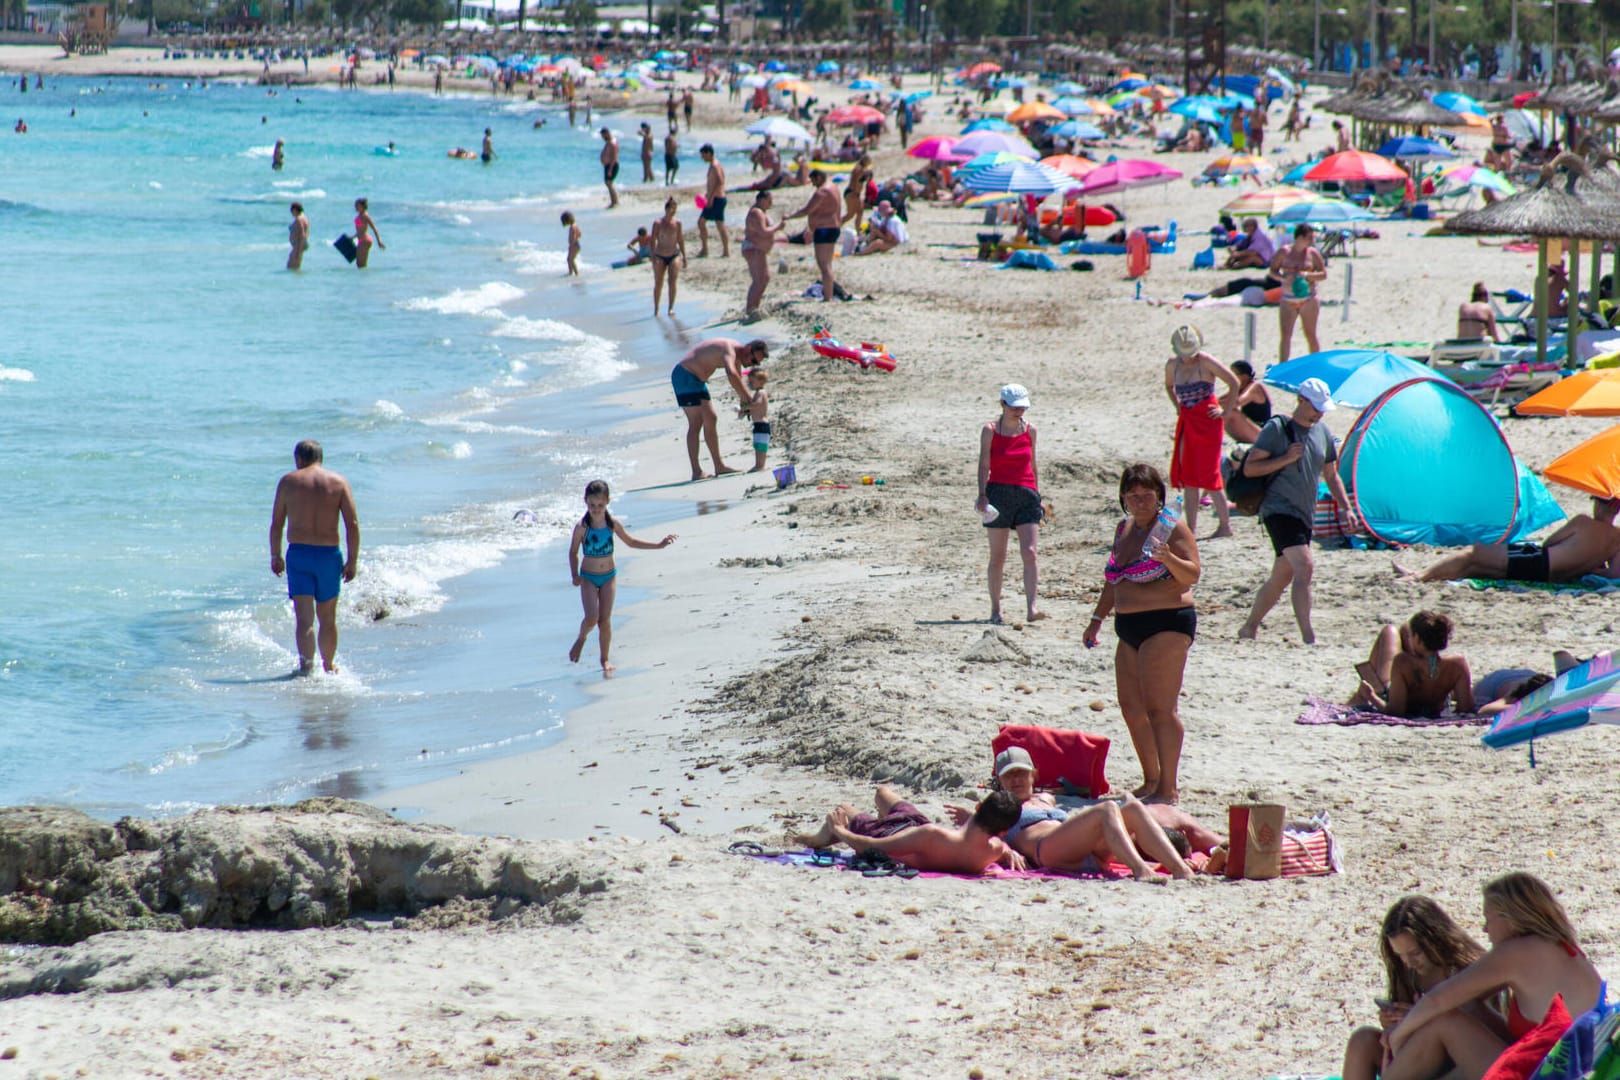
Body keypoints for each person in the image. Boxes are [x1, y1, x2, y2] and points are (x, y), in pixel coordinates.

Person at [1381, 872, 1607, 1080]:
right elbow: (1465, 1001)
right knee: (1462, 1009)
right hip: (1569, 1066)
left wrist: (1398, 1036)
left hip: (1550, 1073)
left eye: (1488, 918)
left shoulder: (1516, 952)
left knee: (1446, 1023)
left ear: (1509, 917)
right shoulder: (1559, 948)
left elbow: (1437, 1000)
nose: (1485, 929)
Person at [1084, 464, 1200, 804]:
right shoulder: (1124, 528)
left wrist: (1167, 558)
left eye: (1147, 495)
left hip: (1166, 622)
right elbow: (1114, 578)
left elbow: (1192, 574)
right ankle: (1151, 780)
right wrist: (1096, 619)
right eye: (1133, 495)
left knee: (1160, 709)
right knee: (1131, 708)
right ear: (1123, 498)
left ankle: (1169, 787)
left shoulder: (1172, 528)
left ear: (1159, 496)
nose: (1140, 501)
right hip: (1128, 626)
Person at [1238, 378, 1356, 644]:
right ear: (1300, 400)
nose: (1319, 413)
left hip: (1305, 514)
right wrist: (1285, 459)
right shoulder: (1277, 428)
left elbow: (1331, 475)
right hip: (1278, 509)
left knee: (1281, 577)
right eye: (1315, 406)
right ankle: (1308, 636)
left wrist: (1346, 508)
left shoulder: (1323, 432)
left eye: (1323, 408)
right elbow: (1250, 468)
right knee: (1305, 566)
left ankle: (1249, 627)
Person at [961, 748, 1193, 882]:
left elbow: (1079, 793)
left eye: (1021, 773)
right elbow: (982, 834)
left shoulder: (1047, 799)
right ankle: (1140, 869)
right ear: (999, 781)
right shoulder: (1000, 806)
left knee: (1132, 807)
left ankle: (1181, 869)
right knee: (1108, 808)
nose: (1016, 780)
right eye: (1009, 776)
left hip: (1082, 849)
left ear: (1034, 775)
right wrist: (1006, 850)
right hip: (1048, 850)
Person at [1340, 896, 1492, 1080]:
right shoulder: (1408, 973)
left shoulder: (1470, 970)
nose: (1409, 962)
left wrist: (1420, 1017)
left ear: (1436, 939)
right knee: (1362, 1039)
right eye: (1401, 955)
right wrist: (1393, 1020)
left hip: (1462, 1059)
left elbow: (1486, 1030)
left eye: (1415, 953)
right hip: (1419, 1054)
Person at [269, 440, 360, 676]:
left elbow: (277, 523)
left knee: (304, 618)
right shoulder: (339, 482)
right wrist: (352, 560)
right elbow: (352, 524)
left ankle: (306, 668)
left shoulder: (289, 481)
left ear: (298, 458)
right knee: (328, 617)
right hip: (329, 556)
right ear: (321, 458)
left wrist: (276, 554)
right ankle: (329, 666)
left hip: (299, 555)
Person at [566, 479, 674, 677]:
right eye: (592, 505)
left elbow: (631, 542)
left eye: (600, 505)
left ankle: (605, 659)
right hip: (588, 577)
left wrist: (658, 545)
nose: (596, 509)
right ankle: (581, 638)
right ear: (585, 502)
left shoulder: (612, 524)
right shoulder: (581, 527)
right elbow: (573, 552)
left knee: (604, 620)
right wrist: (574, 574)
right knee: (592, 618)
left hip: (609, 577)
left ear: (607, 501)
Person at [795, 787, 1024, 875]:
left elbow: (871, 847)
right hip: (914, 831)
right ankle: (879, 818)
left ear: (979, 806)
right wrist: (1009, 851)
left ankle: (819, 838)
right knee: (883, 794)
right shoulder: (992, 850)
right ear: (1003, 831)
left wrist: (840, 831)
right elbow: (1001, 845)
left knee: (844, 809)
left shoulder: (933, 834)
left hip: (894, 835)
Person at [1394, 508, 1620, 584]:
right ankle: (1421, 574)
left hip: (1540, 560)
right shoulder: (1617, 538)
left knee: (1474, 553)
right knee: (1474, 569)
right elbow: (1613, 574)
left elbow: (1549, 543)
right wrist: (1590, 564)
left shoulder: (1584, 522)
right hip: (1551, 576)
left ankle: (1417, 577)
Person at [975, 384, 1045, 626]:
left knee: (1030, 553)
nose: (1019, 411)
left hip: (1027, 495)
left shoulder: (1031, 430)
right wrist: (982, 494)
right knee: (998, 556)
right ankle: (995, 610)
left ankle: (1032, 608)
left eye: (1023, 407)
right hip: (998, 495)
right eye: (1015, 407)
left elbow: (1033, 464)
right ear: (1003, 405)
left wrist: (1038, 496)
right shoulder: (990, 430)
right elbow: (984, 464)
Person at [1164, 326, 1238, 537]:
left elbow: (1233, 382)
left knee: (1209, 475)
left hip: (1208, 421)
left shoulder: (1205, 361)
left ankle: (1225, 526)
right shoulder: (1172, 365)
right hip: (1188, 420)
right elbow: (1169, 386)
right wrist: (1177, 405)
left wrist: (1226, 411)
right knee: (1189, 477)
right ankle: (1192, 529)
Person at [1347, 611, 1476, 717]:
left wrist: (1371, 696)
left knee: (1389, 630)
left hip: (1393, 695)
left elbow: (1396, 712)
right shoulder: (1458, 664)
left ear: (1418, 639)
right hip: (1434, 705)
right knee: (1404, 628)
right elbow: (1466, 709)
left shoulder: (1402, 662)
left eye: (1411, 636)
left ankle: (1355, 700)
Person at [672, 339, 766, 481]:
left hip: (698, 381)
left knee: (711, 418)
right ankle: (696, 471)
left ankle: (719, 466)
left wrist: (744, 402)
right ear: (747, 349)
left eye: (756, 363)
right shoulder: (729, 349)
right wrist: (747, 396)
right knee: (696, 422)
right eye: (753, 360)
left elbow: (738, 379)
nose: (752, 365)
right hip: (685, 376)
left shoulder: (738, 357)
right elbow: (731, 373)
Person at [1271, 223, 1327, 361]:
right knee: (1285, 336)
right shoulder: (1284, 252)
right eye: (1309, 238)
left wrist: (1308, 276)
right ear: (1299, 237)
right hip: (1288, 299)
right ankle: (1283, 366)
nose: (1312, 241)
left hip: (1308, 298)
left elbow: (1323, 274)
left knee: (1311, 334)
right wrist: (1284, 278)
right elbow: (1273, 271)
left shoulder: (1312, 253)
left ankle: (1315, 364)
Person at [784, 170, 841, 302]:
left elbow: (806, 210)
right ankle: (829, 295)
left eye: (814, 181)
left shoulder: (822, 191)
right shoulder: (834, 187)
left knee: (824, 265)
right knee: (827, 264)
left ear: (819, 177)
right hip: (833, 228)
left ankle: (828, 297)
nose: (813, 185)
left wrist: (790, 216)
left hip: (824, 230)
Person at [741, 190, 784, 318]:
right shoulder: (757, 212)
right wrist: (778, 227)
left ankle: (753, 308)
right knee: (760, 279)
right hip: (753, 248)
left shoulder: (760, 212)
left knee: (762, 279)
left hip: (757, 248)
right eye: (769, 200)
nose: (771, 203)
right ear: (761, 199)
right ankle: (751, 310)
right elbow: (763, 232)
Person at [649, 197, 686, 316]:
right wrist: (653, 255)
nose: (673, 211)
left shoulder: (678, 223)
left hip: (674, 254)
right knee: (658, 282)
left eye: (675, 209)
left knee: (672, 281)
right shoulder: (658, 223)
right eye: (671, 208)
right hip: (660, 255)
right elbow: (653, 239)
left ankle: (670, 308)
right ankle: (656, 309)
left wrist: (684, 256)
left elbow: (680, 239)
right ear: (666, 209)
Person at [1222, 359, 1273, 443]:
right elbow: (1219, 400)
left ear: (1245, 376)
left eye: (1234, 375)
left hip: (1262, 434)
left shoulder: (1255, 387)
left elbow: (1236, 403)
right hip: (1251, 431)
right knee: (1219, 412)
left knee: (1231, 412)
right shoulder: (1241, 388)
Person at [697, 144, 729, 257]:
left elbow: (720, 181)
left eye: (703, 155)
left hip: (716, 199)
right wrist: (708, 194)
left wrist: (710, 198)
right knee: (714, 224)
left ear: (708, 153)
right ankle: (720, 250)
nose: (702, 158)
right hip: (716, 198)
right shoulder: (716, 164)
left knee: (705, 223)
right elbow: (717, 182)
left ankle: (709, 250)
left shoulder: (715, 165)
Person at [737, 368, 770, 472]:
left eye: (752, 382)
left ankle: (761, 465)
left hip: (762, 424)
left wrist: (746, 406)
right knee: (758, 445)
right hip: (757, 424)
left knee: (761, 446)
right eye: (749, 382)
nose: (750, 384)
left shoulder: (761, 392)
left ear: (761, 381)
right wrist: (745, 412)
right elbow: (754, 409)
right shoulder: (756, 392)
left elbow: (757, 404)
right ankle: (758, 464)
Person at [352, 197, 383, 269]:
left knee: (361, 265)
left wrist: (379, 241)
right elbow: (359, 231)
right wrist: (352, 237)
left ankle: (364, 278)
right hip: (360, 240)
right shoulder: (358, 217)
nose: (356, 207)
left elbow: (374, 229)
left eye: (357, 205)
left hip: (365, 241)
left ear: (363, 206)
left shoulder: (365, 216)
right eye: (355, 205)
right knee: (359, 264)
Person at [843, 154, 872, 228]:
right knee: (850, 215)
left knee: (860, 212)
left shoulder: (859, 168)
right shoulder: (860, 170)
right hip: (852, 193)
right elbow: (855, 182)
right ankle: (837, 226)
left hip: (854, 193)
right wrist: (855, 194)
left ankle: (858, 231)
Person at [599, 128, 619, 208]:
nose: (602, 137)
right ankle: (614, 201)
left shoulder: (612, 143)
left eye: (603, 135)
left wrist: (610, 169)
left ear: (606, 134)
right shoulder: (608, 142)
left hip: (612, 166)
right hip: (608, 166)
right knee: (608, 183)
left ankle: (614, 202)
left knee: (609, 183)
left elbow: (614, 158)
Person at [286, 202, 310, 271]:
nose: (291, 213)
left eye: (292, 211)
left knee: (292, 266)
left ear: (295, 210)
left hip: (299, 244)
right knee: (294, 265)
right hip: (300, 244)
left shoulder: (299, 219)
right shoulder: (304, 217)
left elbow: (302, 233)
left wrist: (298, 249)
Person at [561, 211, 581, 277]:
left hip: (574, 245)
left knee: (570, 260)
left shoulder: (572, 227)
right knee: (570, 259)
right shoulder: (575, 225)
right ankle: (572, 272)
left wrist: (572, 242)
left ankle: (574, 273)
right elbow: (580, 234)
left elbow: (574, 235)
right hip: (576, 244)